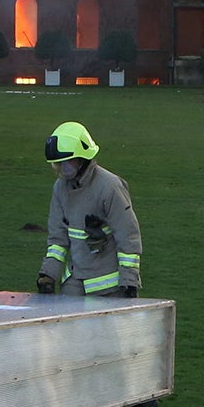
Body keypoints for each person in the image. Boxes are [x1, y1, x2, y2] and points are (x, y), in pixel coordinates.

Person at [36, 121, 143, 298]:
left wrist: (129, 282)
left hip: (109, 287)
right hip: (74, 282)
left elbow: (128, 237)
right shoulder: (60, 188)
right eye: (59, 163)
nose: (63, 168)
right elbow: (57, 238)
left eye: (67, 161)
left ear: (82, 159)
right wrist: (48, 274)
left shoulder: (110, 187)